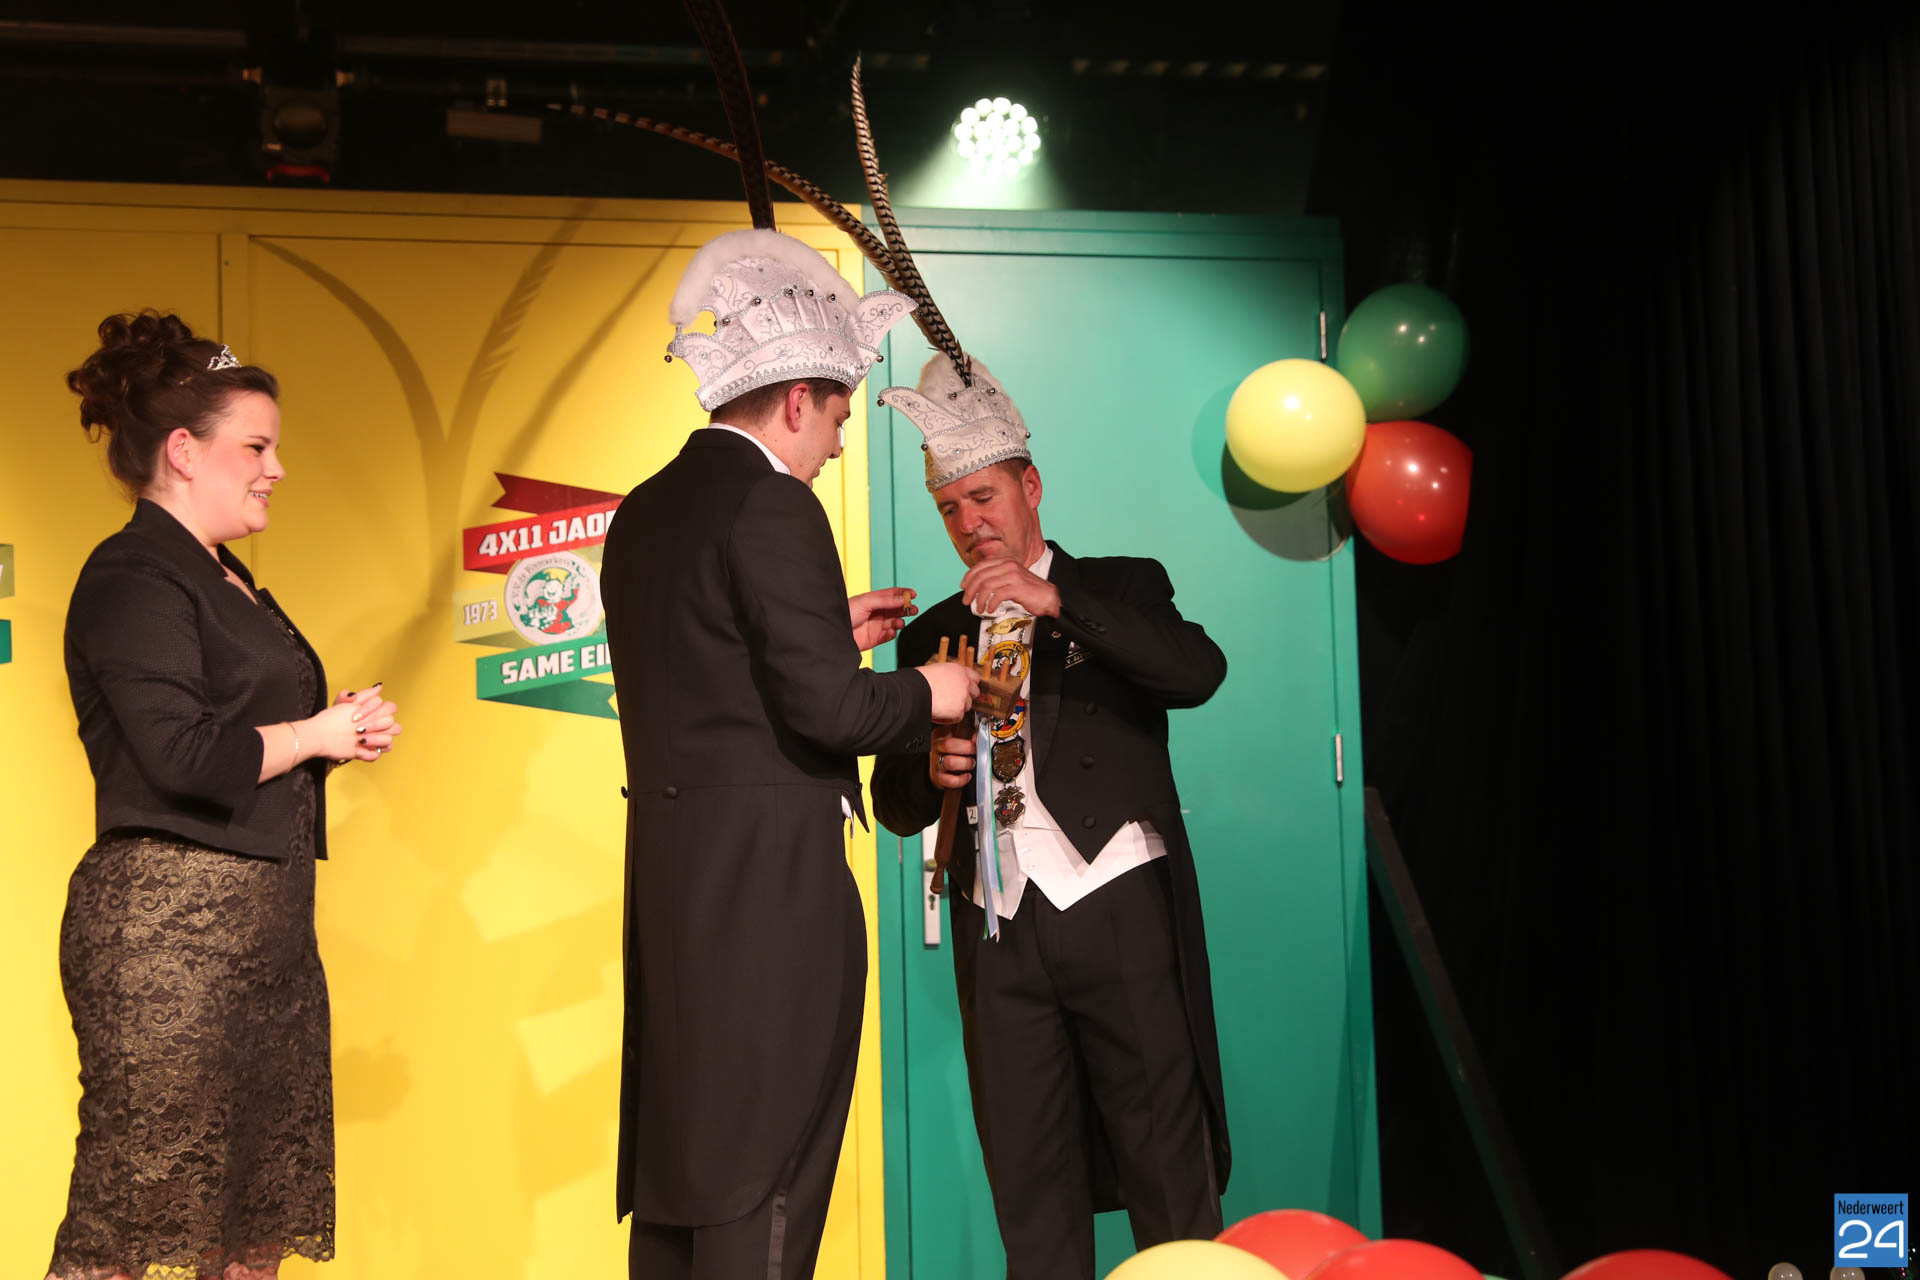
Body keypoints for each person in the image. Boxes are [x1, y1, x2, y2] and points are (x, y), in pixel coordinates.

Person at [602, 227, 979, 1280]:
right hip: (768, 887)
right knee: (767, 1161)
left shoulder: (646, 508)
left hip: (678, 880)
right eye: (841, 417)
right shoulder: (775, 499)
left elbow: (707, 663)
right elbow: (835, 714)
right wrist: (932, 689)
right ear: (799, 399)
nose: (839, 445)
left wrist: (825, 627)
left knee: (690, 1161)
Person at [49, 310, 401, 1280]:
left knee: (257, 1213)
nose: (276, 468)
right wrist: (314, 735)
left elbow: (240, 737)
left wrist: (332, 736)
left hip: (270, 943)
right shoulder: (132, 572)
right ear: (182, 450)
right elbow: (179, 754)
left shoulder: (228, 574)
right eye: (256, 446)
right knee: (126, 1224)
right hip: (170, 939)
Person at [869, 351, 1234, 1280]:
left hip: (1116, 901)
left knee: (1165, 1163)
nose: (970, 523)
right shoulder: (931, 632)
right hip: (996, 924)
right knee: (1029, 1184)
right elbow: (892, 805)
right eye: (950, 508)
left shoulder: (1122, 586)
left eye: (983, 497)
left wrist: (1057, 603)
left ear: (1029, 487)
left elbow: (1197, 672)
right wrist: (931, 770)